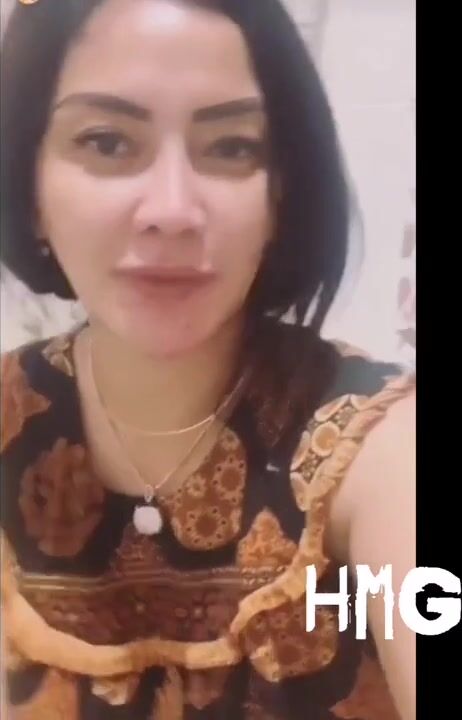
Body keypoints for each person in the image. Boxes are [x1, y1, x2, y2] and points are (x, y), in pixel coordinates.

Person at [0, 0, 416, 718]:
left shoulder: (378, 451)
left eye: (231, 148)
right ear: (29, 186)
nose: (172, 210)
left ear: (280, 193)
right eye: (107, 141)